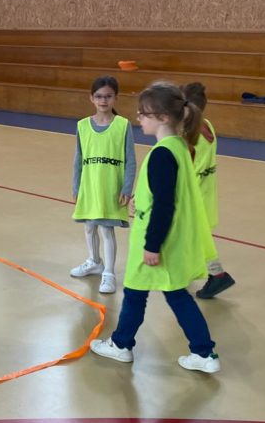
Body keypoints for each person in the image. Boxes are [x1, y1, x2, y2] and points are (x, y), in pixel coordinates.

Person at [89, 81, 221, 374]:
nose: (139, 118)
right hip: (170, 239)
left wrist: (152, 245)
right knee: (175, 295)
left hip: (155, 241)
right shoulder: (179, 147)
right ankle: (204, 352)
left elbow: (165, 205)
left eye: (144, 113)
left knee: (136, 293)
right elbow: (166, 194)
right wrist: (140, 201)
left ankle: (121, 345)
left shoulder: (163, 153)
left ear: (162, 117)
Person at [70, 76, 136, 294]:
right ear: (91, 98)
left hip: (111, 188)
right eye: (98, 96)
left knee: (107, 229)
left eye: (108, 96)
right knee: (89, 226)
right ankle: (94, 261)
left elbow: (130, 160)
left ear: (115, 98)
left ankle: (109, 273)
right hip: (90, 186)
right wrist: (76, 187)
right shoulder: (82, 126)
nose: (103, 100)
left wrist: (127, 188)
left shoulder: (123, 125)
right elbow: (78, 159)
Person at [182, 82, 236, 299]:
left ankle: (217, 274)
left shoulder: (188, 136)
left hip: (193, 195)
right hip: (207, 193)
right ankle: (187, 271)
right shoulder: (208, 125)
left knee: (199, 238)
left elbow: (183, 169)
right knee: (195, 236)